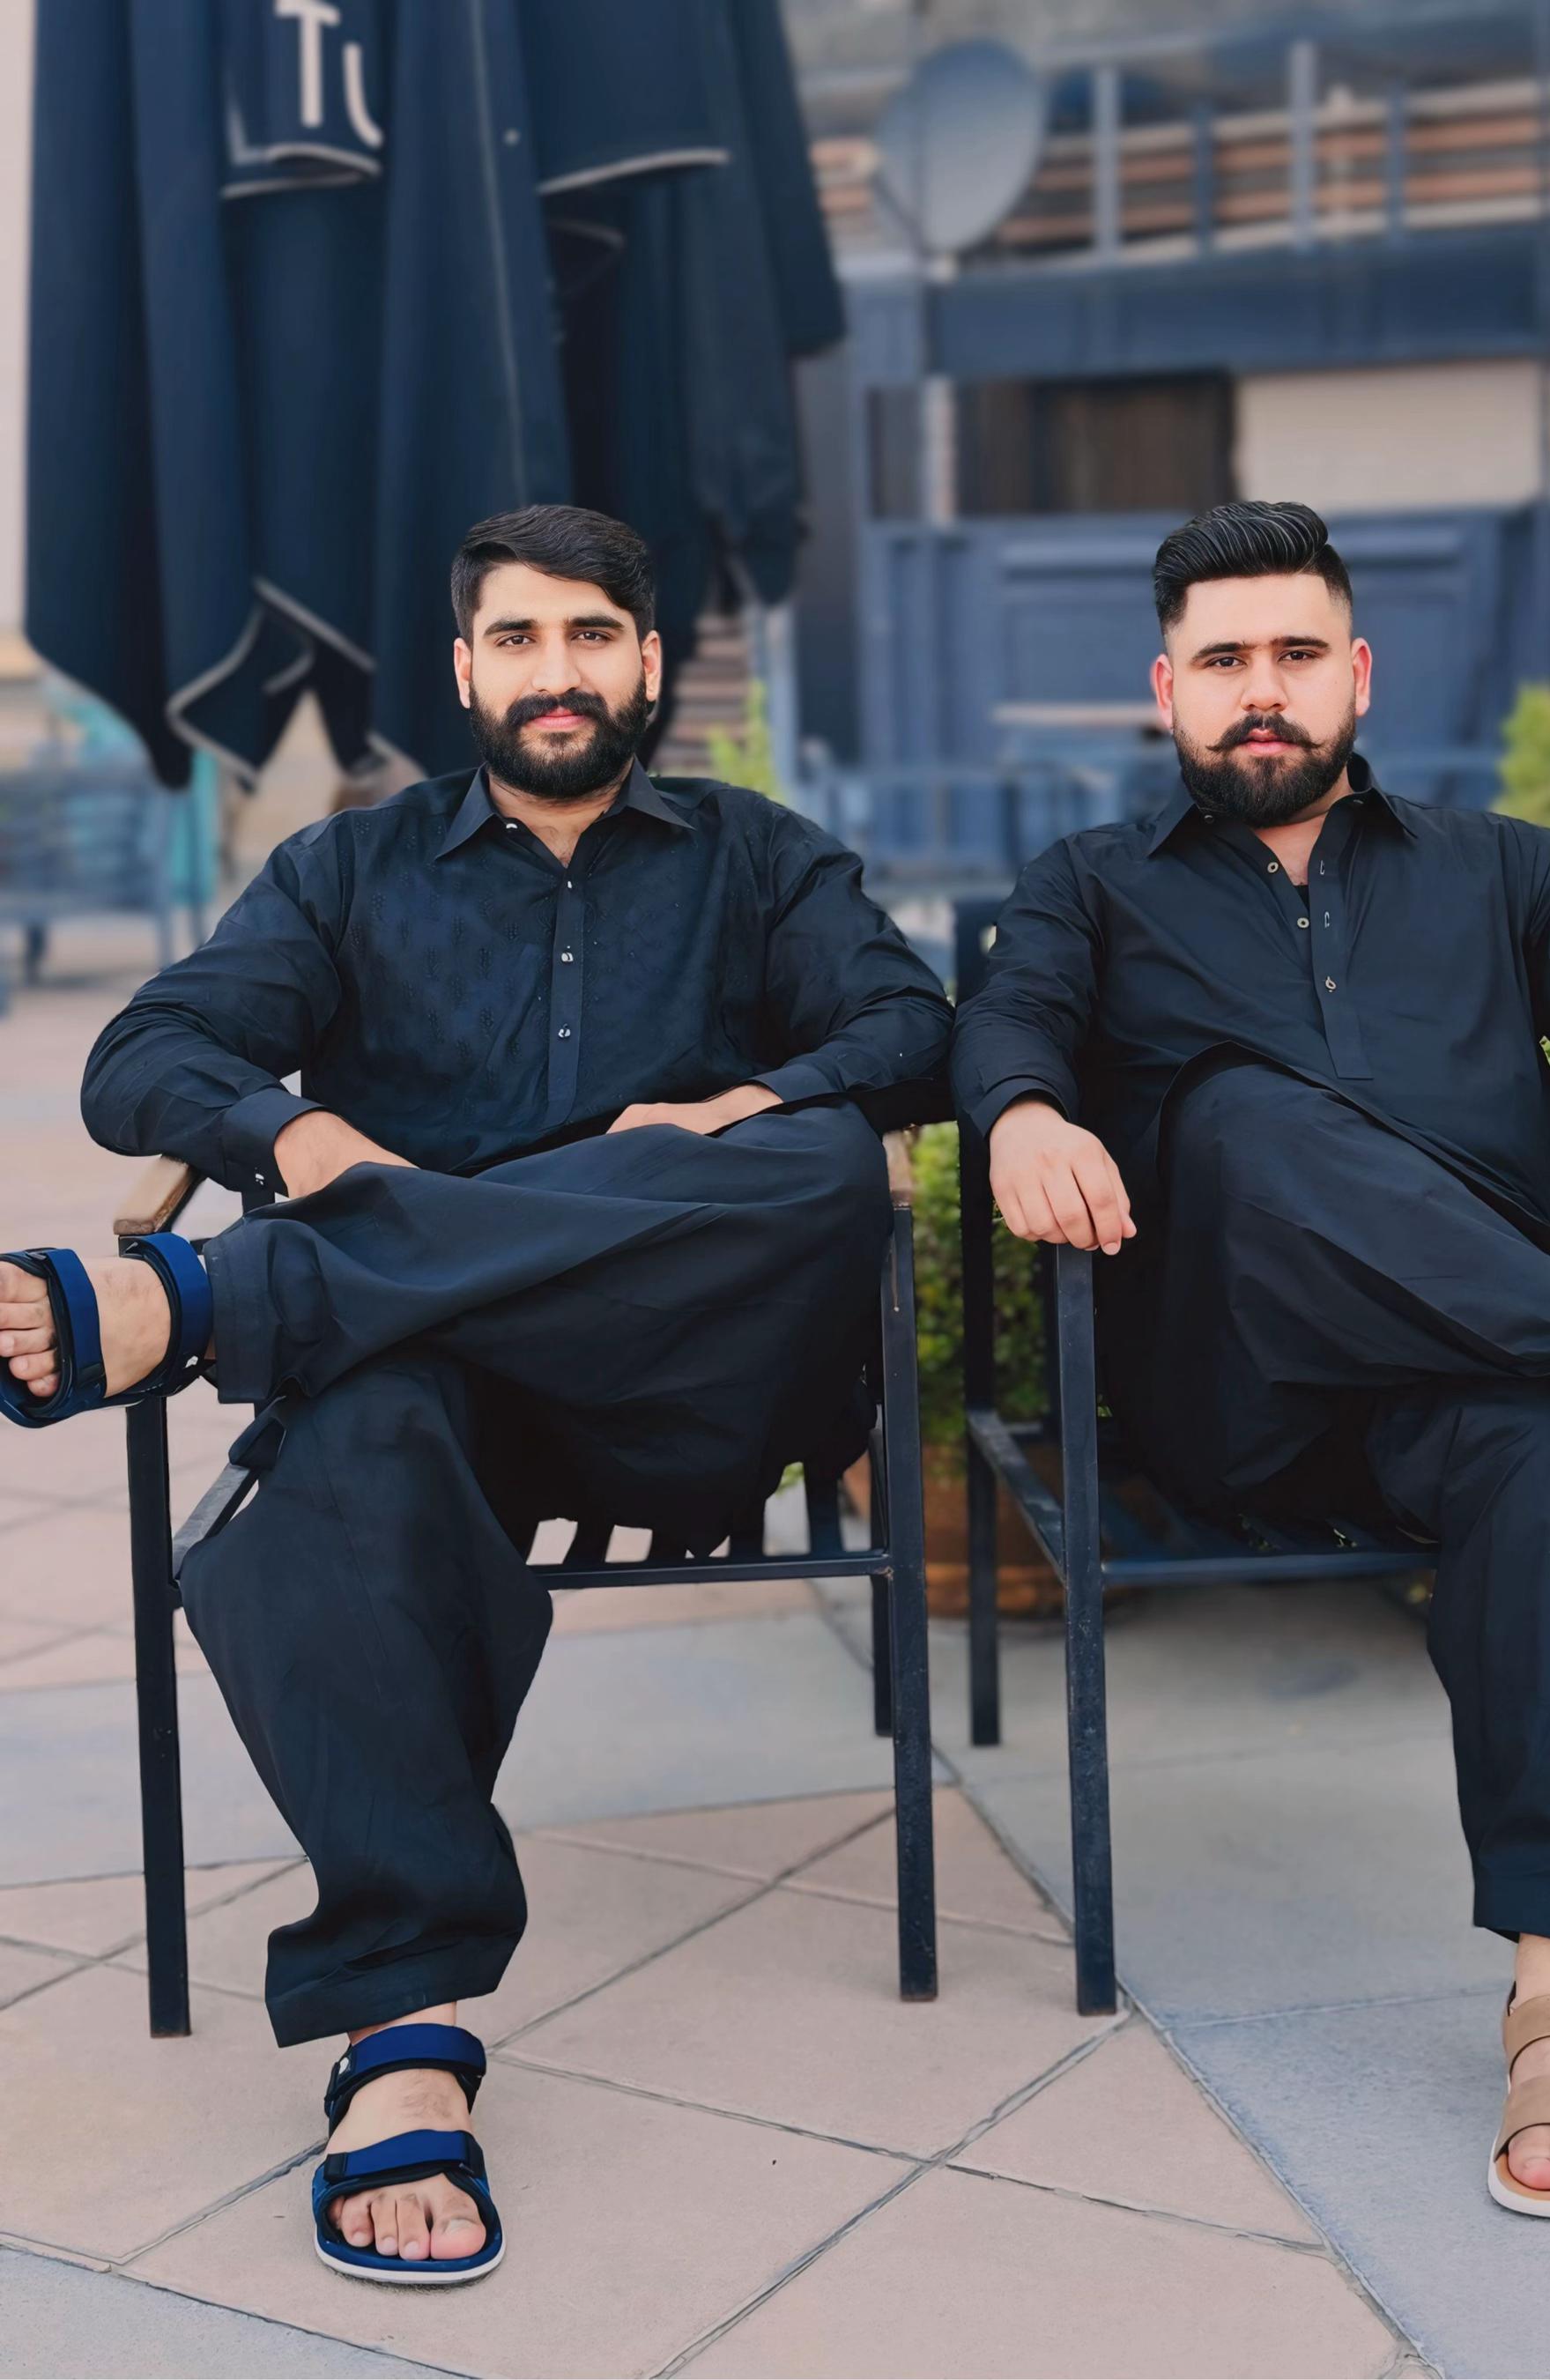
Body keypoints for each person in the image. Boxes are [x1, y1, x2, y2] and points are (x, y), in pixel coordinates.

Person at [0, 504, 952, 2285]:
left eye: (591, 635)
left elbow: (912, 1027)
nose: (556, 671)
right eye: (517, 637)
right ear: (463, 668)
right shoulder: (348, 873)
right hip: (444, 1398)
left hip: (681, 1391)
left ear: (647, 661)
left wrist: (739, 1109)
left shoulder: (759, 858)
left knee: (814, 1161)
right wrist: (290, 1131)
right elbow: (144, 1055)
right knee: (349, 1456)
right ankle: (406, 2032)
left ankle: (216, 1300)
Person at [951, 499, 1550, 2220]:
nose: (1263, 690)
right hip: (1246, 1392)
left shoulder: (1501, 868)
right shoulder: (1090, 888)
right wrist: (1021, 1111)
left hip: (1489, 1377)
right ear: (1167, 689)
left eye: (1296, 654)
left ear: (1359, 673)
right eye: (1224, 660)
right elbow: (1006, 1023)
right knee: (1242, 1119)